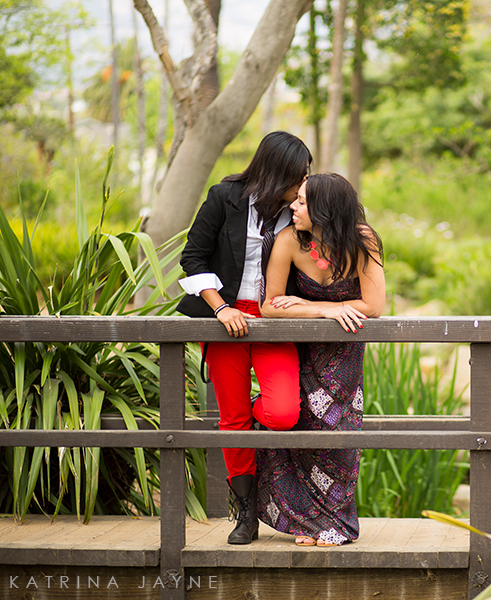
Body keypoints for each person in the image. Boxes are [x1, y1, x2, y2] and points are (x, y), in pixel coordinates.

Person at [175, 131, 312, 545]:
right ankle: (247, 513)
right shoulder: (224, 197)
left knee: (284, 412)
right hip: (225, 323)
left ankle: (253, 412)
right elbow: (192, 257)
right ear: (277, 173)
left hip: (275, 320)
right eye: (299, 176)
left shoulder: (300, 211)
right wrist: (222, 308)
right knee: (231, 420)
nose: (304, 184)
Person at [258, 172, 385, 547]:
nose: (293, 207)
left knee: (340, 440)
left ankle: (338, 527)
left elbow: (374, 305)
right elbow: (270, 306)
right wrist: (324, 313)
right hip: (302, 354)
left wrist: (317, 305)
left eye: (301, 201)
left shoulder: (362, 240)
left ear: (325, 209)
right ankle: (308, 526)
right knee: (303, 437)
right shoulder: (289, 241)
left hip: (345, 357)